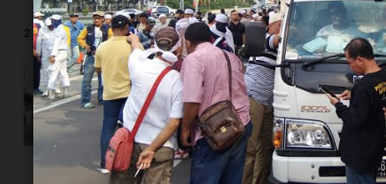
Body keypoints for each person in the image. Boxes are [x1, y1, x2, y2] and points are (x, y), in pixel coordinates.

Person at [179, 22, 252, 184]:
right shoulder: (230, 56)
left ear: (189, 43)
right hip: (241, 123)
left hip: (214, 130)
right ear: (211, 38)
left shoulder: (193, 60)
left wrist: (185, 129)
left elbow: (192, 101)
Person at [109, 28, 183, 184]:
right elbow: (174, 122)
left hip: (130, 141)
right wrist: (151, 149)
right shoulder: (178, 80)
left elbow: (136, 49)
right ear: (179, 50)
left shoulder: (138, 66)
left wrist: (134, 39)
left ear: (153, 45)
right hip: (161, 147)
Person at [324, 38, 386, 184]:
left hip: (359, 154)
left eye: (350, 62)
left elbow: (354, 121)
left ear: (360, 60)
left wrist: (338, 105)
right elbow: (374, 102)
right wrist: (354, 95)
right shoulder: (385, 77)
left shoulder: (363, 86)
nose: (350, 67)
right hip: (374, 149)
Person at [241, 14, 280, 184]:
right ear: (271, 26)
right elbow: (278, 39)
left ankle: (260, 180)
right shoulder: (266, 39)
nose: (283, 28)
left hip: (269, 102)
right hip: (254, 98)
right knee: (250, 147)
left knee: (266, 146)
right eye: (281, 24)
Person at [95, 15, 134, 174]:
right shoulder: (132, 46)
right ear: (126, 28)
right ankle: (128, 161)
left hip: (110, 92)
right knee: (130, 127)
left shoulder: (102, 47)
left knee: (108, 126)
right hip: (129, 92)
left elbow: (98, 69)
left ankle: (105, 163)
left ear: (111, 28)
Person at [77, 11, 110, 108]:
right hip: (91, 56)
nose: (96, 19)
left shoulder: (108, 29)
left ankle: (102, 99)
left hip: (103, 56)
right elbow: (80, 38)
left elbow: (112, 39)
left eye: (99, 18)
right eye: (95, 18)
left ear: (103, 19)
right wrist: (85, 46)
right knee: (87, 78)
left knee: (103, 80)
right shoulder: (88, 28)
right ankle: (85, 101)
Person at [47, 14, 71, 99]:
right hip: (63, 52)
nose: (52, 22)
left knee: (53, 71)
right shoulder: (61, 29)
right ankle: (66, 89)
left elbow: (56, 43)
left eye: (53, 20)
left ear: (57, 21)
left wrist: (53, 55)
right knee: (63, 71)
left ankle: (51, 91)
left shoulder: (59, 30)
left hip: (58, 53)